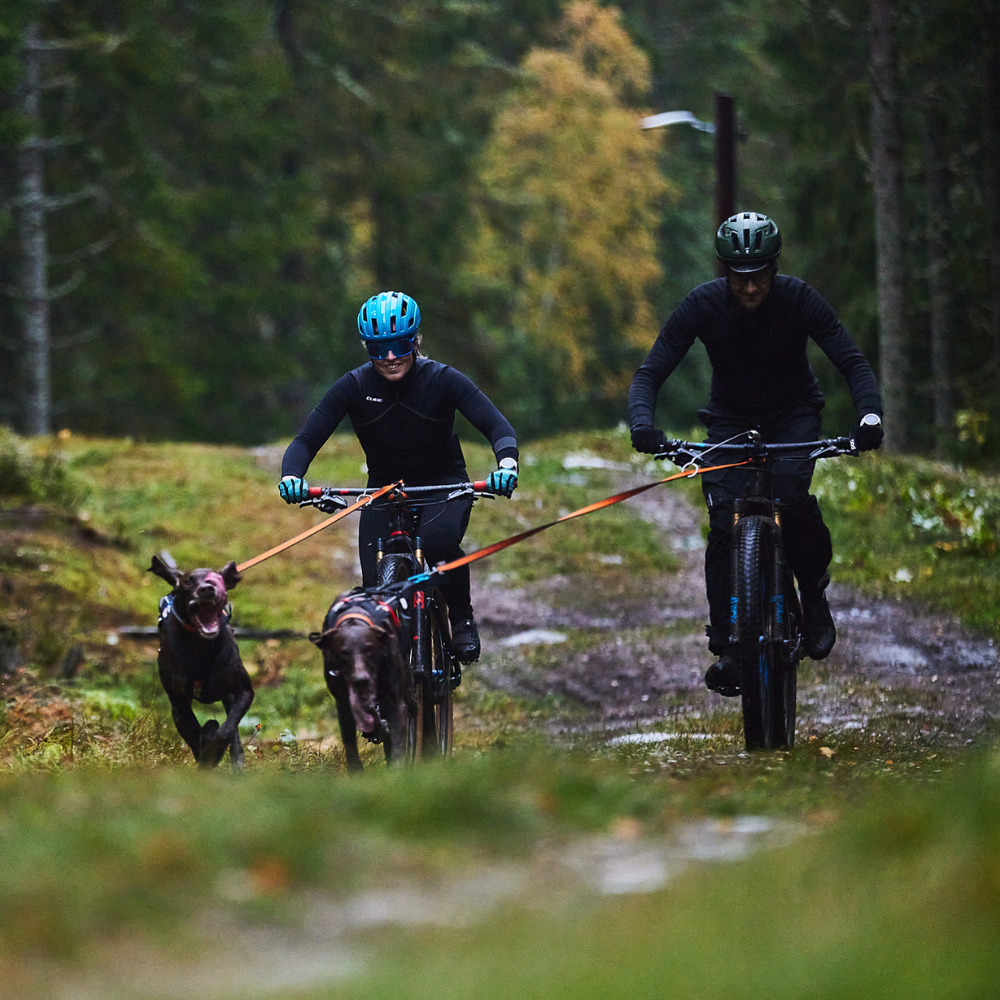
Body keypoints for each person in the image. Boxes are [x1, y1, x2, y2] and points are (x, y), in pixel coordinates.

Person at [628, 211, 883, 696]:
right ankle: (727, 643)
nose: (750, 288)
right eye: (740, 277)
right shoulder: (702, 305)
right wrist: (644, 425)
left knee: (790, 497)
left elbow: (851, 360)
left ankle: (811, 594)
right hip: (728, 421)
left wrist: (869, 417)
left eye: (760, 275)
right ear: (726, 272)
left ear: (774, 268)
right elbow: (650, 372)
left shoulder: (799, 299)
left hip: (793, 414)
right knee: (725, 519)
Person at [278, 290, 519, 664]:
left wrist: (506, 465)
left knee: (438, 546)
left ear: (415, 342)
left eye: (399, 345)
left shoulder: (442, 379)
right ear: (367, 348)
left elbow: (496, 425)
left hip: (444, 487)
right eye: (379, 349)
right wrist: (291, 476)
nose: (390, 358)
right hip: (384, 491)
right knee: (375, 591)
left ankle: (461, 617)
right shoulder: (354, 386)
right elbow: (307, 438)